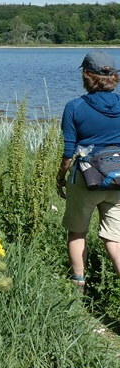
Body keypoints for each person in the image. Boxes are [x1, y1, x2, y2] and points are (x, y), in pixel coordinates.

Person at [57, 50, 120, 292]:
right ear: (113, 76)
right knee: (115, 239)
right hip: (118, 179)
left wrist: (60, 177)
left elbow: (68, 151)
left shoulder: (74, 107)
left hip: (86, 179)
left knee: (77, 232)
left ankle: (78, 289)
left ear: (86, 75)